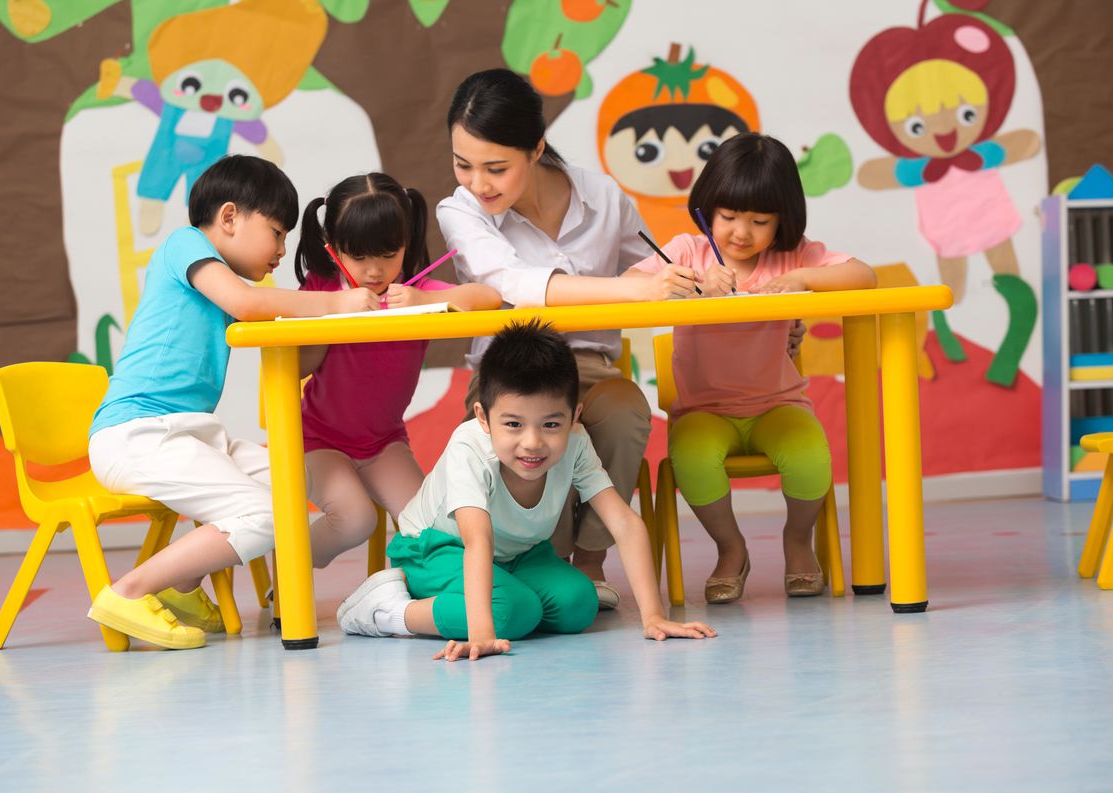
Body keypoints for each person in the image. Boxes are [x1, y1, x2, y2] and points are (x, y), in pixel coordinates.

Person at [437, 68, 700, 609]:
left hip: (591, 367)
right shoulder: (459, 210)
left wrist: (699, 279)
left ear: (536, 148)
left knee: (627, 409)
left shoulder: (603, 196)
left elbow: (652, 272)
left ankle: (590, 563)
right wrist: (634, 291)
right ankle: (543, 563)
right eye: (463, 164)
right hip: (509, 370)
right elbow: (514, 284)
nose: (478, 183)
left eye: (496, 168)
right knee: (535, 426)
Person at [86, 155, 370, 650]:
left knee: (291, 478)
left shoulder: (219, 277)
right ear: (230, 217)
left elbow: (266, 311)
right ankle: (129, 591)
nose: (282, 250)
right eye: (277, 232)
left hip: (188, 431)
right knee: (271, 513)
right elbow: (248, 304)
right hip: (135, 434)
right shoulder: (186, 244)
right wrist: (337, 302)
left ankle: (182, 585)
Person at [335, 320, 715, 660]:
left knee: (579, 603)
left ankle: (495, 600)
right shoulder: (469, 446)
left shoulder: (576, 442)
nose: (532, 442)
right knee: (509, 613)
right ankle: (390, 610)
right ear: (484, 418)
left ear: (574, 416)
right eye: (514, 424)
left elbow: (624, 523)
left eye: (550, 425)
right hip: (437, 549)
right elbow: (477, 540)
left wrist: (653, 618)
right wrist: (482, 634)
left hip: (516, 554)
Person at [624, 132, 876, 603]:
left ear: (783, 220)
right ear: (707, 210)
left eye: (760, 221)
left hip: (778, 407)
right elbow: (628, 284)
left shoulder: (792, 255)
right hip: (703, 412)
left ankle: (798, 541)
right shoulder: (688, 251)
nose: (741, 232)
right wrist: (687, 284)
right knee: (693, 461)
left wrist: (802, 278)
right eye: (728, 217)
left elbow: (865, 277)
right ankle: (731, 548)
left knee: (810, 458)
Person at [294, 173, 501, 568]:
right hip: (319, 441)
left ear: (407, 243)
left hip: (384, 444)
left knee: (432, 526)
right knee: (356, 520)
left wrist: (422, 299)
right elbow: (298, 367)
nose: (375, 271)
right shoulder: (322, 289)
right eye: (359, 256)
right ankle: (287, 570)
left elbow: (488, 298)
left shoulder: (413, 293)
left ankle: (419, 590)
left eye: (389, 254)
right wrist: (331, 315)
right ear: (334, 247)